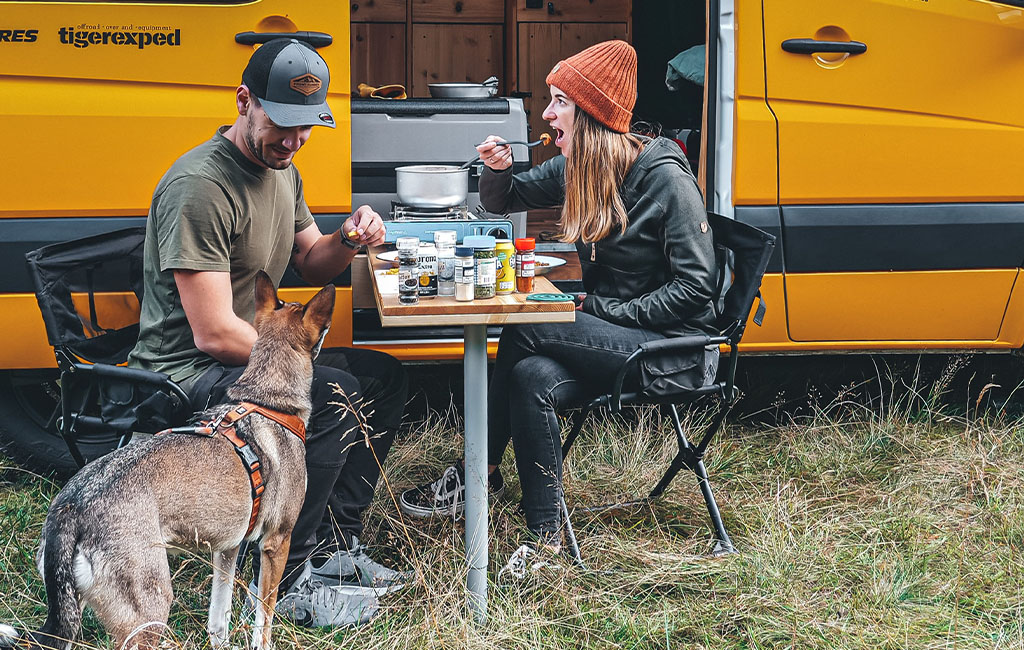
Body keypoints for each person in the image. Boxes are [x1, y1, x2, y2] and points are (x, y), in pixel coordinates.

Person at [399, 40, 719, 568]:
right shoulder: (582, 167)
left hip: (670, 349)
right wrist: (497, 169)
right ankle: (545, 538)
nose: (546, 114)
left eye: (558, 102)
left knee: (526, 329)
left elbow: (696, 288)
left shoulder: (665, 179)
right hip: (616, 337)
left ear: (590, 115)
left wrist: (605, 311)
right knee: (530, 378)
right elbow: (505, 200)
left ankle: (477, 473)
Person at [128, 38, 409, 626]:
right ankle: (294, 576)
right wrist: (299, 365)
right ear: (243, 101)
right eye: (282, 124)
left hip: (248, 354)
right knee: (331, 399)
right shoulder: (201, 187)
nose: (294, 140)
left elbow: (312, 261)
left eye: (307, 127)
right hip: (187, 371)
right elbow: (213, 334)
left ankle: (335, 544)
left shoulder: (284, 169)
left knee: (385, 377)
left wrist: (351, 239)